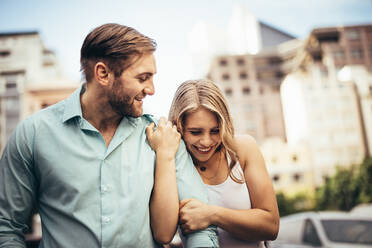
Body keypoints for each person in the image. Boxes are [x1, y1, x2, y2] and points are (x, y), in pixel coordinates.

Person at [0, 24, 218, 248]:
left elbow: (201, 228)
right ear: (103, 74)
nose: (151, 89)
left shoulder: (164, 138)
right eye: (143, 78)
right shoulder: (33, 134)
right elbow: (6, 227)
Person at [148, 79, 279, 247]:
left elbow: (271, 226)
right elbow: (163, 234)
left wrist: (211, 215)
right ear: (179, 126)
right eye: (195, 132)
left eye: (215, 131)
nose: (206, 141)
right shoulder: (171, 164)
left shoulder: (243, 149)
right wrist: (164, 155)